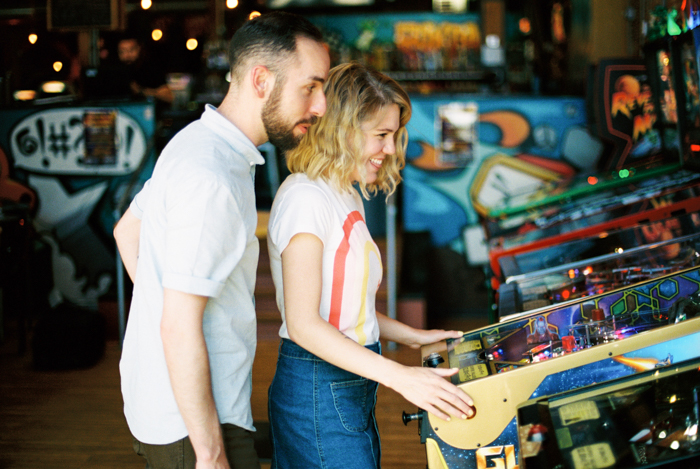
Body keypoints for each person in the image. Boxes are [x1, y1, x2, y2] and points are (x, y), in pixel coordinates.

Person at [112, 12, 330, 469]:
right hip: (191, 427)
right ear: (262, 80)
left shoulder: (196, 143)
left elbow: (126, 230)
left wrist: (166, 304)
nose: (321, 106)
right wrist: (211, 455)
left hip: (180, 407)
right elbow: (177, 325)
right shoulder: (210, 177)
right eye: (310, 87)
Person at [266, 62, 476, 469]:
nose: (392, 149)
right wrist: (400, 376)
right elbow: (304, 324)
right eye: (381, 135)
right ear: (341, 129)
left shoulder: (344, 193)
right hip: (315, 386)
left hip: (348, 383)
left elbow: (346, 309)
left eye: (394, 136)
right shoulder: (305, 198)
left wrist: (413, 336)